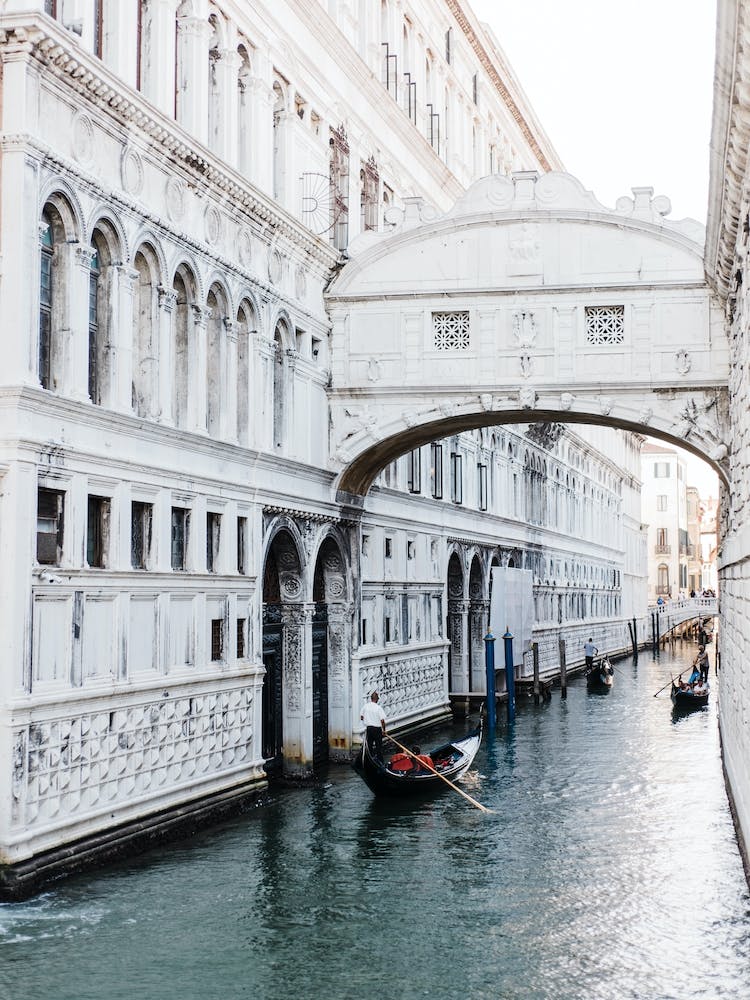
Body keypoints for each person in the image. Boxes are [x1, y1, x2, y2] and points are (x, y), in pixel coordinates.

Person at [360, 691, 386, 762]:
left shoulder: (365, 706)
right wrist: (384, 730)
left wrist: (368, 719)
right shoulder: (378, 708)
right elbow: (382, 721)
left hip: (369, 729)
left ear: (371, 698)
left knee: (369, 745)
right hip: (377, 729)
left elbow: (361, 717)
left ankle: (369, 760)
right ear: (377, 699)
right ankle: (380, 762)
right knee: (378, 747)